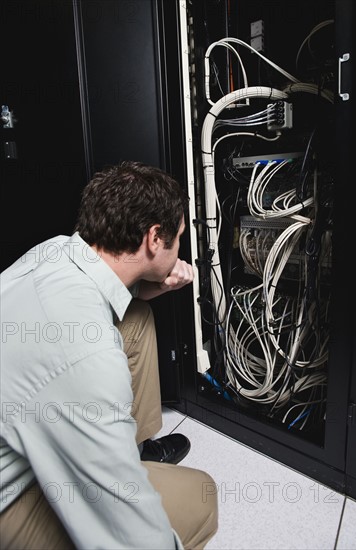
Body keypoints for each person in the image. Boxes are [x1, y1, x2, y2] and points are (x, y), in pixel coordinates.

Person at [0, 161, 218, 549]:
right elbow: (134, 540)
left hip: (19, 414)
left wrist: (155, 286)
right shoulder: (86, 356)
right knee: (199, 495)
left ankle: (133, 451)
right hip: (8, 499)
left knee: (135, 320)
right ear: (155, 238)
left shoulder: (55, 250)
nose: (180, 247)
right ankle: (114, 460)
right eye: (179, 237)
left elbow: (109, 294)